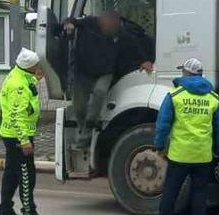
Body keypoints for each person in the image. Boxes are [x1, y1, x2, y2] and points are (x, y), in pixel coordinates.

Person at [145, 58, 219, 215]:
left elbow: (163, 124)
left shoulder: (175, 96)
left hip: (179, 154)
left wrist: (159, 145)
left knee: (171, 191)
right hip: (203, 155)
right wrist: (218, 149)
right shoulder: (213, 99)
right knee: (200, 192)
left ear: (186, 74)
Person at [63, 10, 153, 148]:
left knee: (100, 93)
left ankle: (88, 130)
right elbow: (71, 20)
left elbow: (134, 45)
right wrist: (68, 23)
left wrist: (145, 60)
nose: (110, 26)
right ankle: (82, 128)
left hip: (105, 72)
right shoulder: (89, 23)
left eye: (113, 23)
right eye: (107, 22)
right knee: (79, 106)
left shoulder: (120, 33)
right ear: (101, 20)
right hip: (83, 73)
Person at [0, 48, 48, 215]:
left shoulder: (18, 75)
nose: (38, 67)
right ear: (29, 66)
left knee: (11, 174)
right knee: (27, 174)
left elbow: (27, 85)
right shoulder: (19, 86)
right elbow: (16, 115)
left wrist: (36, 79)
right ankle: (28, 212)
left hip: (11, 135)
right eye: (36, 65)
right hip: (19, 136)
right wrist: (25, 141)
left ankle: (5, 211)